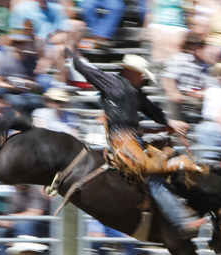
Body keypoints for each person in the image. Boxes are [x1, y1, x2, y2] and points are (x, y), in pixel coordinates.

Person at [68, 49, 206, 239]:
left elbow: (152, 109)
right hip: (123, 142)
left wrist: (171, 123)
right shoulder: (114, 83)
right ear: (131, 71)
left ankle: (176, 209)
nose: (142, 79)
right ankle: (180, 222)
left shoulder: (133, 90)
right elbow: (87, 70)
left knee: (164, 161)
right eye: (141, 74)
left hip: (132, 139)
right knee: (153, 177)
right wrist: (73, 53)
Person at [0, 185, 49, 255]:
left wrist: (10, 218)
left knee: (24, 225)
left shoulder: (34, 190)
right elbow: (9, 214)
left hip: (41, 226)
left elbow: (36, 213)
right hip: (19, 224)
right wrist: (3, 221)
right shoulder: (15, 192)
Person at [161, 36, 211, 122]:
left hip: (197, 95)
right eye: (194, 44)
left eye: (200, 45)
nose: (196, 47)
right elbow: (168, 78)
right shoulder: (179, 59)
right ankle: (177, 132)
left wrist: (202, 93)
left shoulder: (206, 65)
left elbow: (210, 85)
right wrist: (173, 92)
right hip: (180, 92)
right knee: (173, 99)